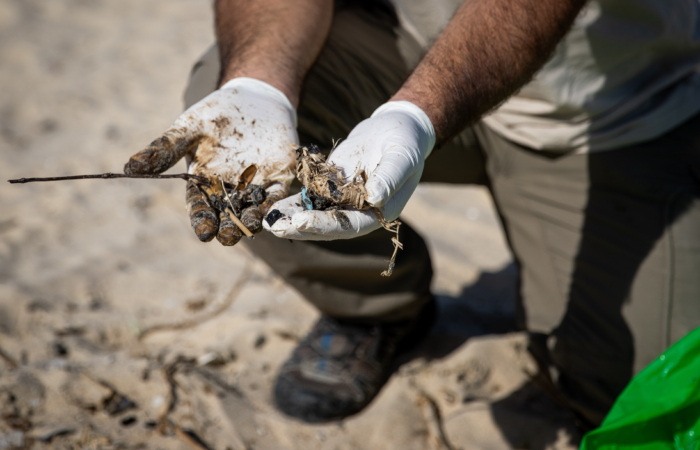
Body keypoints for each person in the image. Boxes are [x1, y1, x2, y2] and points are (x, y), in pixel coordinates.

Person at [124, 0, 700, 430]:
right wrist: (258, 84)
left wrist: (413, 118)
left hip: (618, 110)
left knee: (630, 394)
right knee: (226, 126)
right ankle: (376, 307)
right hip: (408, 51)